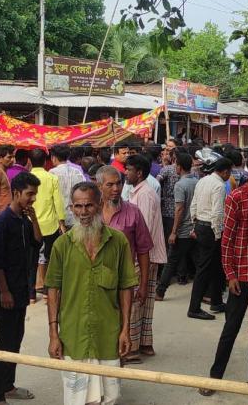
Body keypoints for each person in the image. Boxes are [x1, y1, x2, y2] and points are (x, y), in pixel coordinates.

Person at [45, 182, 138, 405]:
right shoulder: (62, 245)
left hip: (108, 334)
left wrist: (126, 329)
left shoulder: (118, 242)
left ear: (99, 205)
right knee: (77, 397)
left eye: (88, 206)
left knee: (111, 395)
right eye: (77, 206)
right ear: (71, 208)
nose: (83, 212)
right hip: (73, 335)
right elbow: (53, 290)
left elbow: (126, 287)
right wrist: (53, 334)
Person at [200, 149, 248, 396]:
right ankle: (215, 378)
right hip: (241, 275)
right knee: (231, 327)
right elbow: (227, 239)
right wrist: (230, 274)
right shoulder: (235, 198)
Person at [0, 172, 41, 404]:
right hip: (7, 292)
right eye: (30, 194)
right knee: (4, 343)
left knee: (15, 340)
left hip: (21, 290)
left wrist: (35, 219)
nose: (32, 199)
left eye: (34, 195)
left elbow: (37, 242)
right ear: (17, 192)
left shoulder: (24, 220)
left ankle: (8, 386)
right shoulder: (1, 223)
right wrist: (4, 291)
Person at [96, 165, 152, 364]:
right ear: (99, 186)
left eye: (118, 183)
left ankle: (116, 367)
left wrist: (143, 285)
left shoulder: (133, 212)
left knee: (122, 327)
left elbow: (144, 251)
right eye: (110, 184)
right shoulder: (91, 213)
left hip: (124, 282)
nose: (115, 188)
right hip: (97, 283)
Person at [124, 154, 166, 359]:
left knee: (136, 299)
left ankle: (132, 346)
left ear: (138, 172)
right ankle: (144, 344)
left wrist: (136, 256)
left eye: (129, 169)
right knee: (143, 300)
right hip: (146, 253)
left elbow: (144, 229)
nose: (126, 172)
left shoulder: (145, 194)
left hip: (144, 254)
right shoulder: (139, 191)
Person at [188, 157, 232, 321]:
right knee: (204, 269)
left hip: (201, 224)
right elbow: (218, 212)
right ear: (225, 171)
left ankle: (216, 301)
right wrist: (218, 234)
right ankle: (194, 307)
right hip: (210, 228)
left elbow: (194, 204)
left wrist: (194, 223)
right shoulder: (219, 185)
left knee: (215, 266)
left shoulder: (203, 180)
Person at [157, 152, 198, 299]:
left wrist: (174, 231)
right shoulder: (196, 181)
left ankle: (160, 291)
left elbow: (179, 209)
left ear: (179, 167)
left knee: (172, 260)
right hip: (195, 228)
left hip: (183, 230)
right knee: (199, 262)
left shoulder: (180, 185)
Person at [28, 149, 66, 302]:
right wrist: (61, 222)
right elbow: (58, 201)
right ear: (45, 161)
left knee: (32, 260)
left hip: (31, 224)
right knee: (50, 259)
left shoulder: (27, 178)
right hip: (50, 225)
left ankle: (31, 294)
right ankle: (46, 292)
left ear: (30, 161)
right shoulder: (51, 177)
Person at [49, 145, 84, 228]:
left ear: (53, 158)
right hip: (75, 217)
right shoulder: (77, 172)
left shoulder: (51, 173)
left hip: (58, 219)